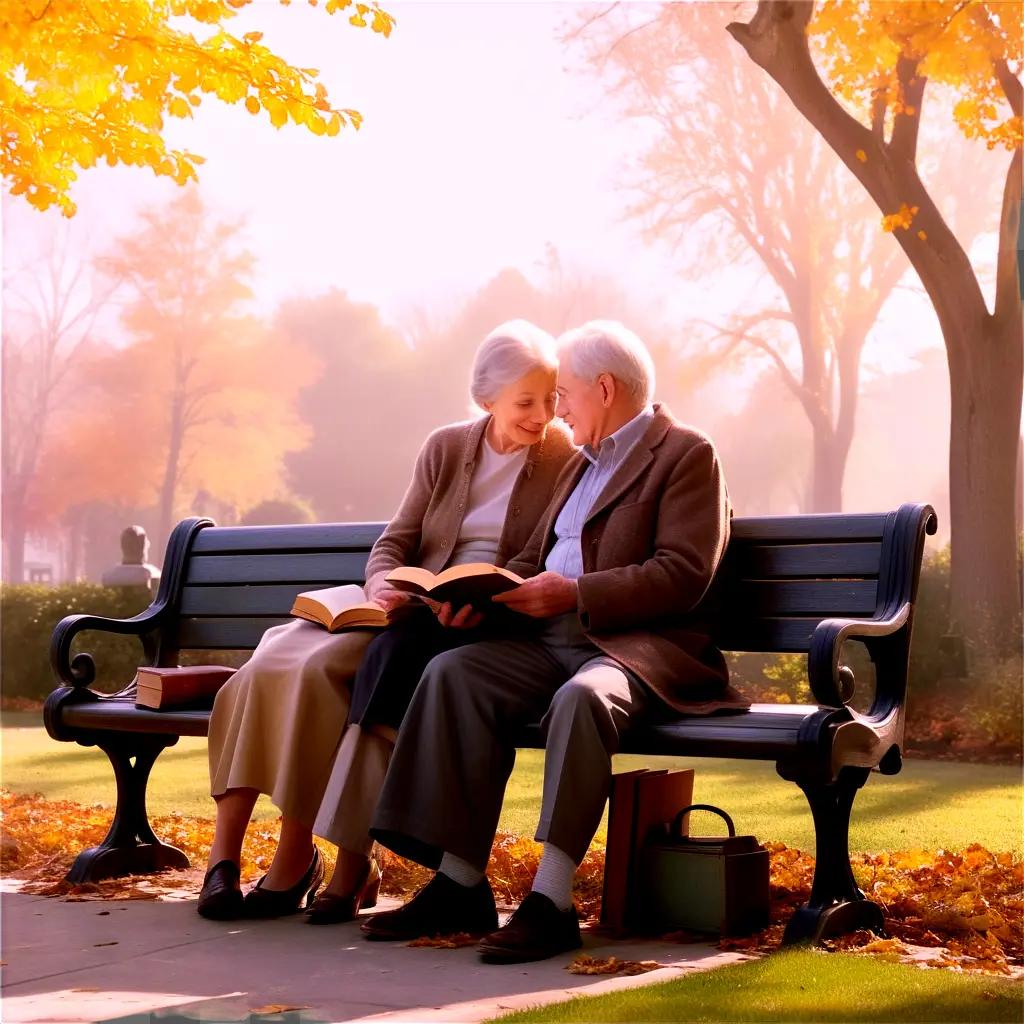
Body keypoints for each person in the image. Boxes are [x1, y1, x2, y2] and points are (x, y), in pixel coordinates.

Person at [362, 320, 747, 962]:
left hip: (633, 652)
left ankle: (552, 900)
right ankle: (459, 882)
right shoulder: (581, 461)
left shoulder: (686, 455)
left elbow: (683, 574)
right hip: (547, 640)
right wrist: (470, 597)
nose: (557, 410)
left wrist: (576, 593)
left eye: (564, 393)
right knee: (455, 672)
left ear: (604, 388)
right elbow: (531, 555)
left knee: (582, 700)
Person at [198, 320, 575, 921]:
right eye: (526, 402)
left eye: (552, 399)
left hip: (469, 620)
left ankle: (332, 862)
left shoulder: (563, 458)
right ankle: (241, 858)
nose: (543, 414)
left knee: (334, 673)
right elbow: (393, 541)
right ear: (487, 400)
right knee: (272, 663)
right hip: (400, 608)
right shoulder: (448, 446)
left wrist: (478, 602)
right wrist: (382, 584)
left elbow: (532, 560)